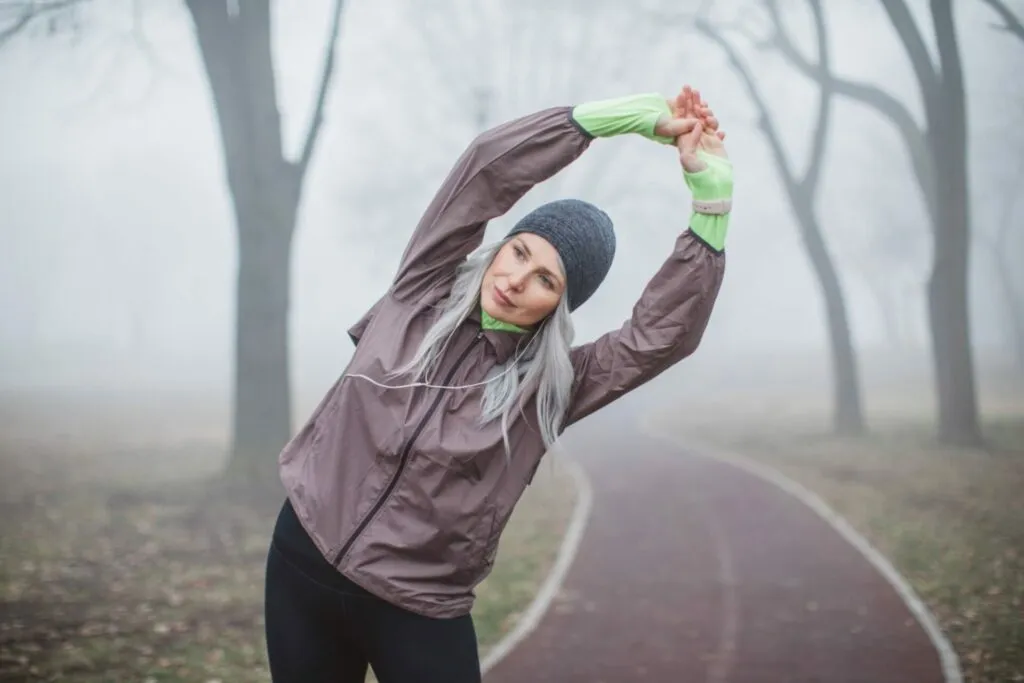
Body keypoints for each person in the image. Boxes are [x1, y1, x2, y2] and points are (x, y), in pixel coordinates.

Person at [263, 84, 734, 682]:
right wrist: (608, 121)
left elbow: (658, 336)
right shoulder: (420, 291)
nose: (515, 280)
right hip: (303, 559)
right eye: (518, 252)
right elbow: (487, 170)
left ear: (560, 305)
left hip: (417, 606)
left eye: (544, 279)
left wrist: (710, 206)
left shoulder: (551, 388)